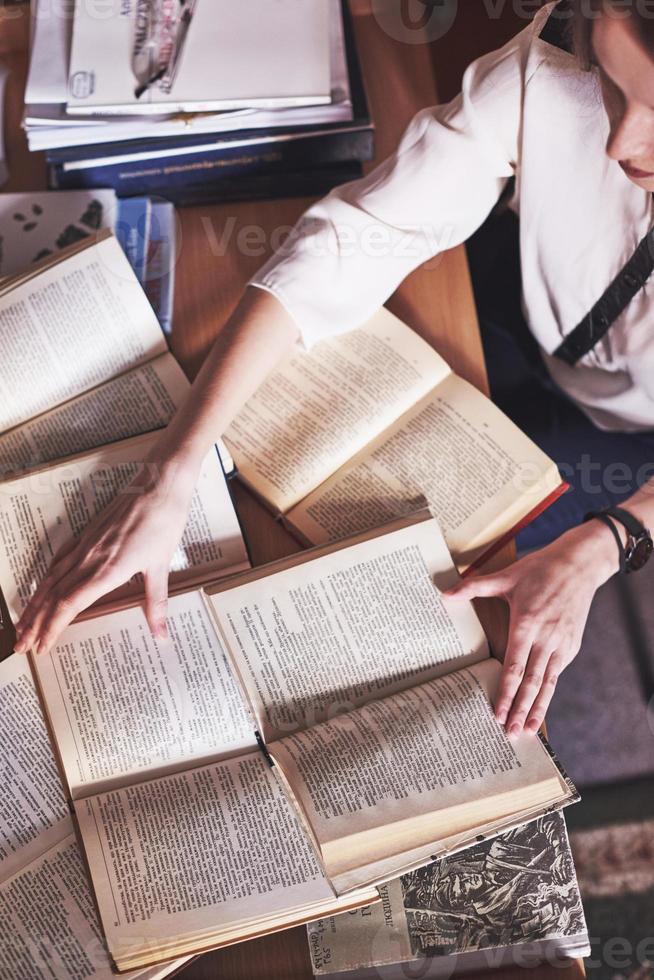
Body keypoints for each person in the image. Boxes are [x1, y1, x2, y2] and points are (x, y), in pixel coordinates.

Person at [15, 0, 654, 740]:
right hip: (520, 306)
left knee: (433, 605)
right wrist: (174, 470)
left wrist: (613, 538)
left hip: (630, 443)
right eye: (614, 85)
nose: (619, 143)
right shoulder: (558, 55)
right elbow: (358, 235)